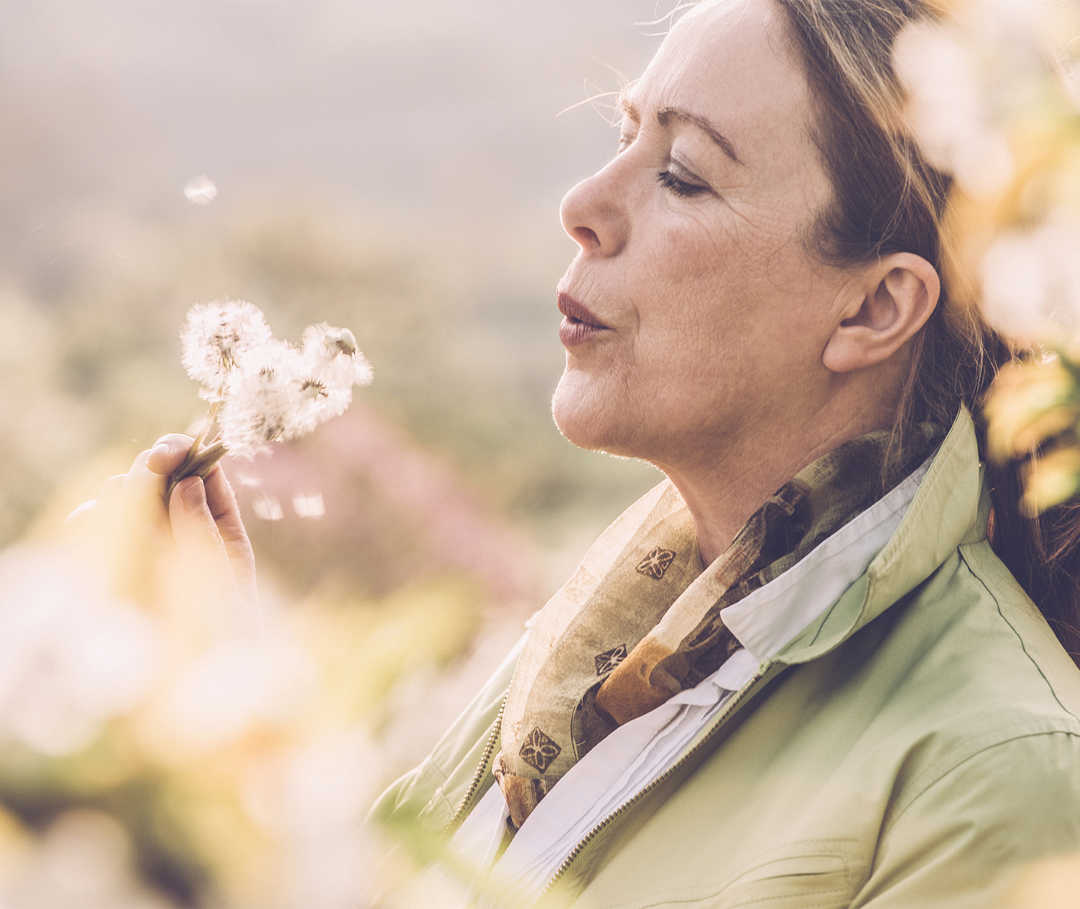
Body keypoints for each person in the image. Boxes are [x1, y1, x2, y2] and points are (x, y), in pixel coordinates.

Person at [122, 0, 1080, 905]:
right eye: (625, 139)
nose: (583, 203)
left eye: (683, 174)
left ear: (873, 308)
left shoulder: (995, 771)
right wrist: (212, 694)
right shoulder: (600, 648)